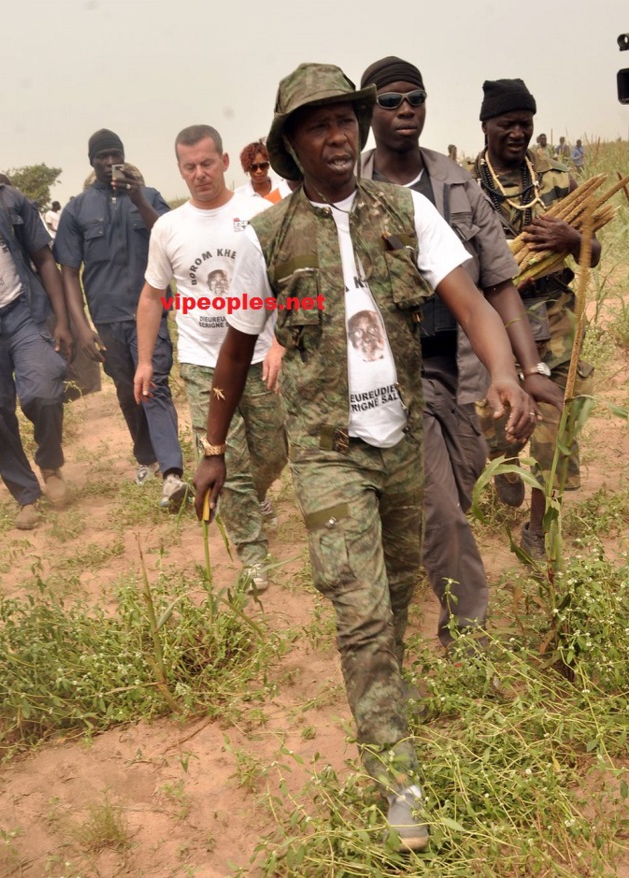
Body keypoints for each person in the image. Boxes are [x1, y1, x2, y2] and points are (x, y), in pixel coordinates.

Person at [192, 63, 535, 852]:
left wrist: (506, 373)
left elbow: (470, 300)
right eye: (318, 125)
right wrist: (212, 449)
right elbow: (236, 352)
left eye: (345, 120)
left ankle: (387, 691)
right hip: (326, 455)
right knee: (361, 612)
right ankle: (398, 780)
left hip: (402, 443)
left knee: (399, 596)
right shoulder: (266, 240)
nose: (338, 135)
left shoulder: (406, 212)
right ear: (291, 144)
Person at [359, 56, 562, 648]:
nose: (405, 110)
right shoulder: (348, 189)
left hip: (460, 369)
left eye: (415, 98)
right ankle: (467, 635)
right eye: (390, 100)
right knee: (442, 508)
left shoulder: (456, 185)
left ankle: (416, 546)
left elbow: (498, 284)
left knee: (463, 483)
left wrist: (528, 369)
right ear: (368, 110)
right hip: (388, 373)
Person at [134, 125, 286, 590]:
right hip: (203, 362)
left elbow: (286, 283)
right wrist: (145, 361)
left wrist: (279, 343)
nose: (199, 173)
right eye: (189, 167)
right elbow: (152, 297)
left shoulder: (258, 213)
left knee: (274, 450)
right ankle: (253, 555)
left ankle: (252, 495)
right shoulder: (169, 228)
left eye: (206, 163)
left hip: (260, 354)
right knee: (224, 456)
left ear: (223, 162)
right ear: (180, 170)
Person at [471, 79, 600, 559]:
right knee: (493, 420)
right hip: (494, 321)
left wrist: (573, 240)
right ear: (486, 126)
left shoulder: (558, 180)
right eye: (507, 124)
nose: (518, 133)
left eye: (525, 124)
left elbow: (594, 254)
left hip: (556, 316)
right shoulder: (464, 187)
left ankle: (538, 530)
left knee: (554, 426)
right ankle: (503, 462)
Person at [54, 129, 188, 510]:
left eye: (116, 154)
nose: (110, 162)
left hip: (150, 312)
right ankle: (146, 457)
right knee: (128, 392)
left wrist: (137, 198)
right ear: (91, 161)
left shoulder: (149, 197)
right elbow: (68, 272)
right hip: (106, 319)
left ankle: (172, 474)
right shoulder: (77, 210)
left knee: (154, 386)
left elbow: (170, 238)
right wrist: (82, 328)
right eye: (102, 156)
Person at [0, 175, 72, 529]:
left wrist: (62, 320)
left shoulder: (6, 199)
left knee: (44, 391)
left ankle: (50, 465)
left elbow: (44, 259)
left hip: (23, 313)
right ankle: (26, 495)